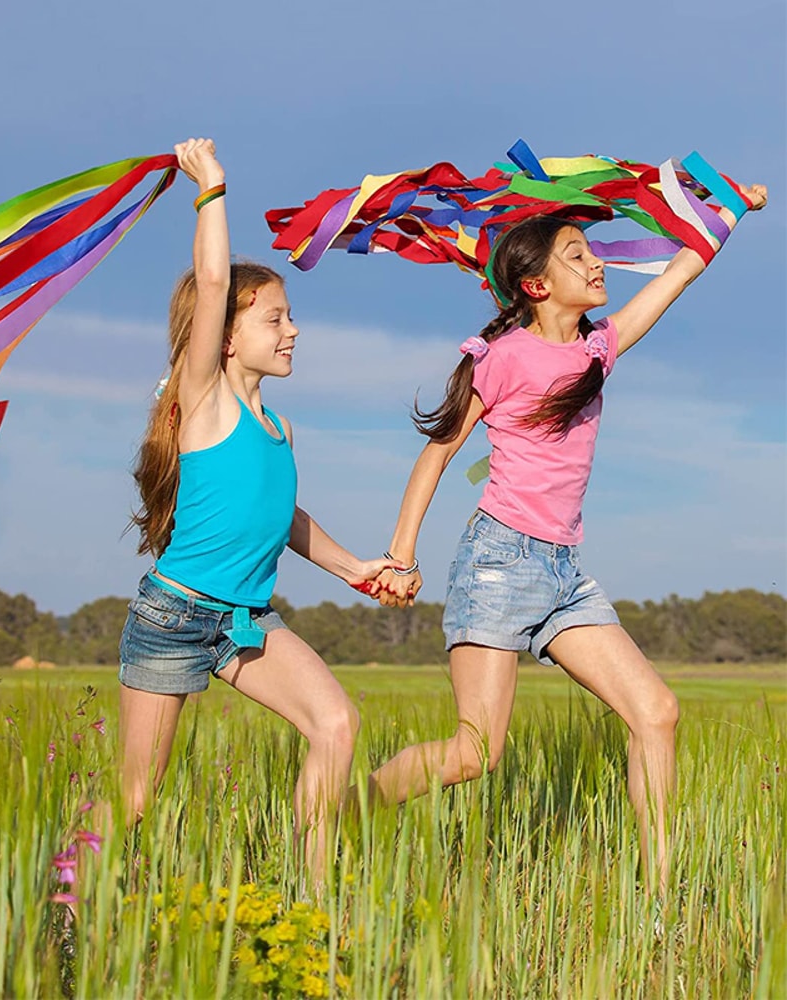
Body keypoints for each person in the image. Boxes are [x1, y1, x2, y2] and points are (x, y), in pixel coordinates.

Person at [365, 184, 767, 891]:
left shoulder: (599, 349)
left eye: (594, 252)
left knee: (656, 711)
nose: (598, 264)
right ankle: (344, 813)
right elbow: (438, 453)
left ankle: (661, 893)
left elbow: (678, 272)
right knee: (475, 752)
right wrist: (402, 554)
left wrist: (729, 208)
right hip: (497, 562)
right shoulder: (505, 355)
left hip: (564, 576)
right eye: (578, 255)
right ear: (538, 284)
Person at [119, 138, 399, 879]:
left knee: (336, 724)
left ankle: (310, 899)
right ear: (230, 334)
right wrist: (211, 186)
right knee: (139, 801)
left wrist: (354, 570)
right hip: (175, 615)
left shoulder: (277, 427)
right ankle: (86, 919)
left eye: (291, 317)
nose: (293, 330)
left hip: (246, 622)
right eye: (276, 318)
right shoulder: (202, 398)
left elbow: (285, 514)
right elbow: (213, 282)